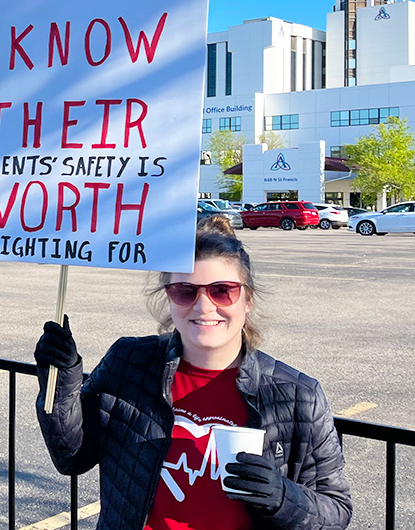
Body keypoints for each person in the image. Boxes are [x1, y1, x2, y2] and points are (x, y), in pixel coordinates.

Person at [34, 220, 352, 529]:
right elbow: (71, 457)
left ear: (248, 299)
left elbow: (336, 509)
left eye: (222, 291)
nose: (203, 307)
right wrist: (61, 380)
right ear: (169, 296)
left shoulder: (298, 395)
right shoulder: (129, 362)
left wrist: (283, 497)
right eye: (185, 291)